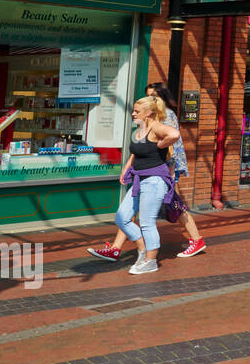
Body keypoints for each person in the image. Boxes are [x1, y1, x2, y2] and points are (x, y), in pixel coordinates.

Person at [87, 96, 184, 274]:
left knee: (147, 223)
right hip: (140, 179)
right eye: (133, 110)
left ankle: (151, 261)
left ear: (148, 113)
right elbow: (136, 152)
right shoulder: (140, 129)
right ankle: (142, 249)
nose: (133, 113)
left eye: (137, 111)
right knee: (122, 218)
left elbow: (174, 134)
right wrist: (126, 168)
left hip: (154, 181)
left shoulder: (155, 126)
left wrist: (162, 144)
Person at [146, 82, 206, 256]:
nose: (151, 100)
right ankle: (121, 246)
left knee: (175, 204)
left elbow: (173, 145)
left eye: (154, 96)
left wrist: (171, 171)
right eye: (149, 96)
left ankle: (196, 240)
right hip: (155, 166)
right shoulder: (153, 115)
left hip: (167, 166)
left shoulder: (167, 115)